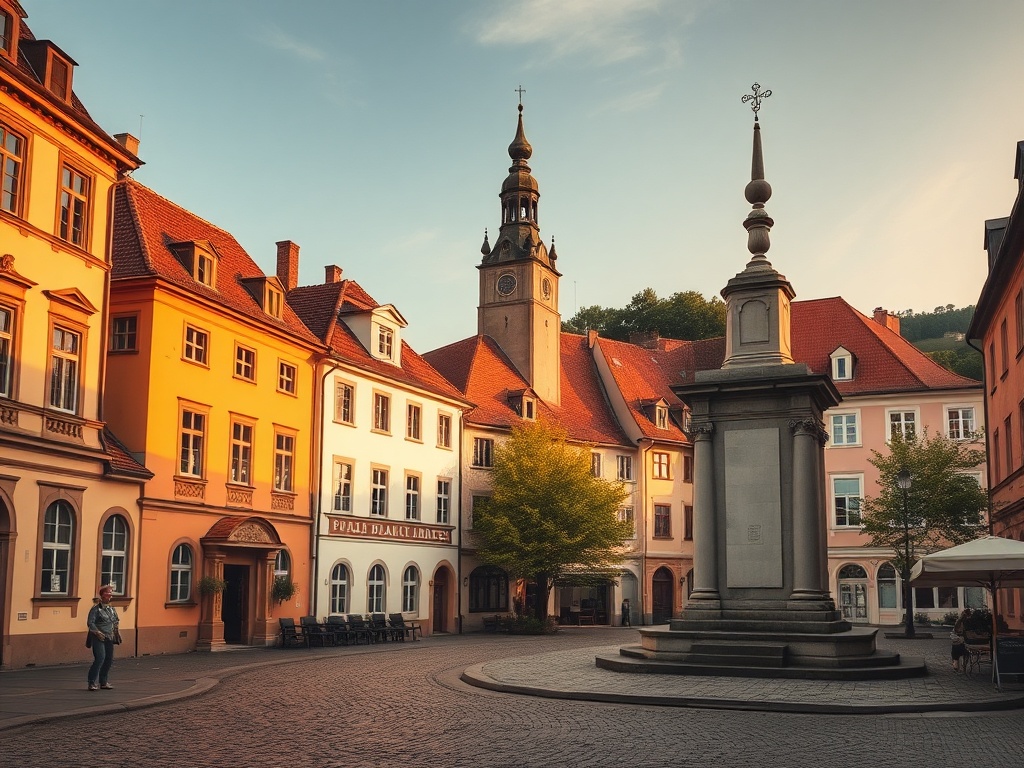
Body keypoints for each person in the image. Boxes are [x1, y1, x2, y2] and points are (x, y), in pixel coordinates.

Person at [87, 584, 119, 691]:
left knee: (109, 659)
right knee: (100, 658)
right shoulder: (96, 609)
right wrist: (97, 632)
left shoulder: (111, 609)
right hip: (99, 637)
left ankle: (103, 681)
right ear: (102, 595)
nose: (110, 596)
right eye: (108, 594)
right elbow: (90, 623)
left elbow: (115, 620)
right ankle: (91, 682)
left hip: (109, 636)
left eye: (111, 594)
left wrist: (116, 631)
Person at [950, 607, 970, 672]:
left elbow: (956, 630)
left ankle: (956, 667)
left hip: (956, 641)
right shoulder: (962, 622)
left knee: (956, 655)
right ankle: (961, 667)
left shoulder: (959, 621)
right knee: (965, 653)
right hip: (959, 641)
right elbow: (958, 631)